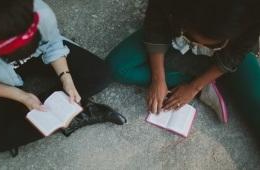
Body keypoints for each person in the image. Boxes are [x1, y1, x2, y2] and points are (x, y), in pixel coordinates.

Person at [0, 0, 126, 156]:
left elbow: (53, 45)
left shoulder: (38, 11)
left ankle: (50, 115)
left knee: (100, 75)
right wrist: (22, 97)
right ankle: (69, 114)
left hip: (40, 58)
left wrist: (66, 78)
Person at [106, 0, 260, 137]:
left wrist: (194, 87)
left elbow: (236, 54)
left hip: (231, 52)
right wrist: (158, 79)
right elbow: (155, 26)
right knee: (115, 68)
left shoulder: (252, 13)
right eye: (191, 38)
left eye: (212, 44)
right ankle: (209, 78)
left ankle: (210, 75)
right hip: (173, 30)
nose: (197, 47)